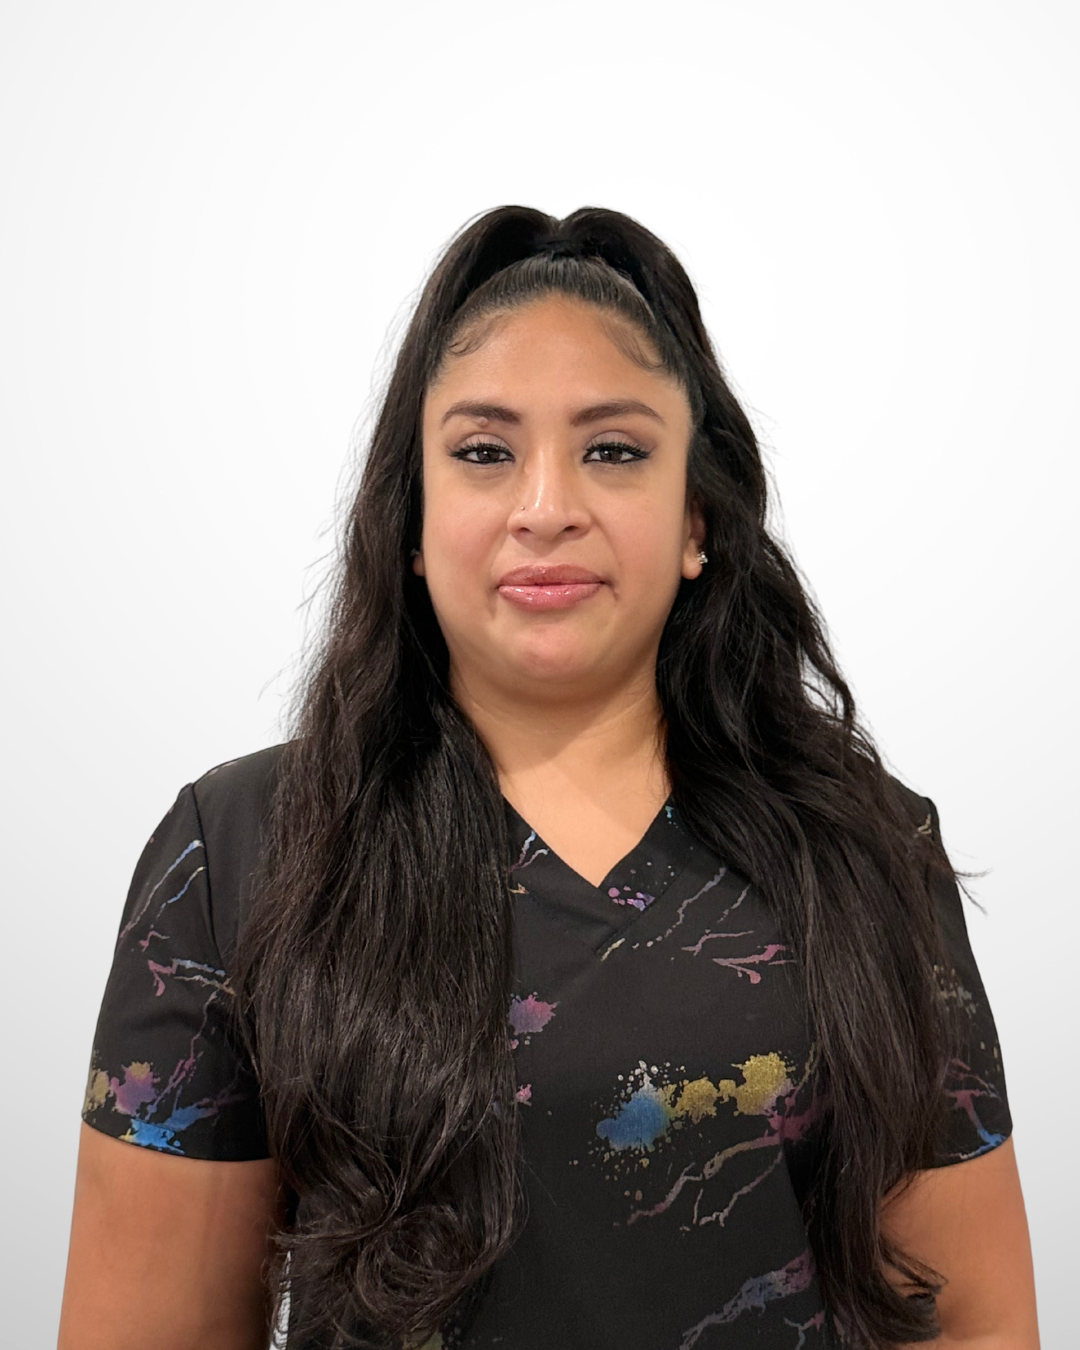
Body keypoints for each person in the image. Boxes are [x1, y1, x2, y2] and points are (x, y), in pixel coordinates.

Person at [58, 206, 1039, 1350]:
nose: (546, 508)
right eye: (483, 453)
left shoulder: (864, 849)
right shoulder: (237, 854)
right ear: (412, 522)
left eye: (614, 451)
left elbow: (972, 1323)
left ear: (697, 518)